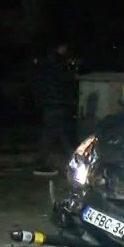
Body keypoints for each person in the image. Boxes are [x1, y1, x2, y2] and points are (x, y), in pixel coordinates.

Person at [35, 43, 78, 175]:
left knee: (53, 133)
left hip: (49, 104)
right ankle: (74, 162)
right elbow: (65, 82)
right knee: (60, 133)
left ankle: (44, 163)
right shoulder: (60, 64)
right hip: (58, 103)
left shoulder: (46, 64)